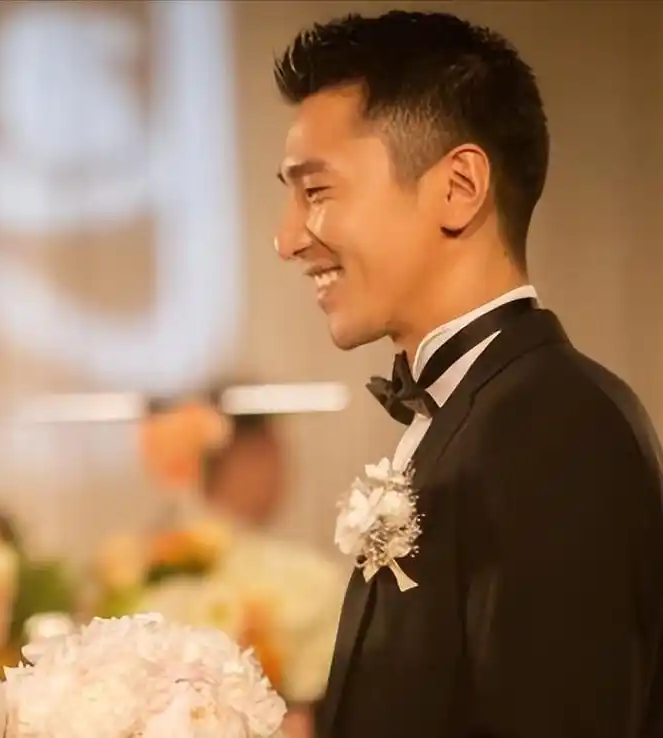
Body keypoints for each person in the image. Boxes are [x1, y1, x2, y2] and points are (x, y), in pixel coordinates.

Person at [272, 11, 663, 738]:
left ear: (458, 187)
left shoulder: (555, 430)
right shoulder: (485, 410)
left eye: (315, 192)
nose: (286, 238)